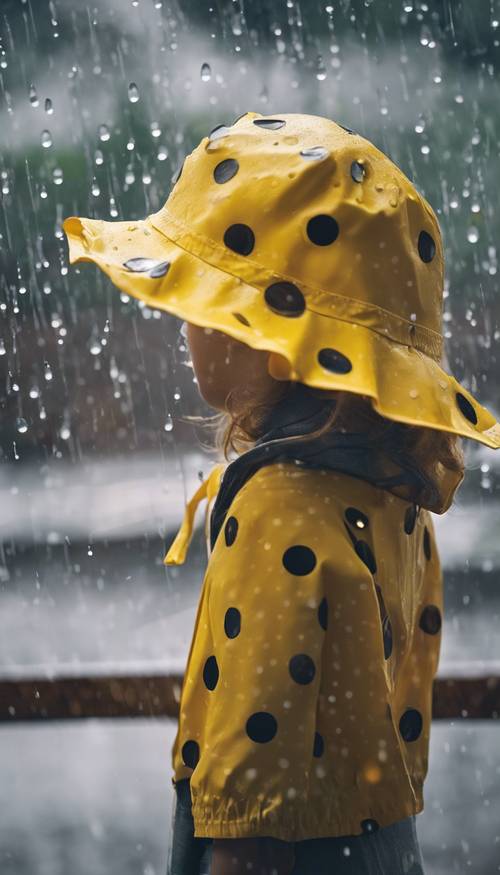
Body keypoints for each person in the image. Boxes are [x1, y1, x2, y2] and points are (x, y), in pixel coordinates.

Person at [63, 112, 500, 875]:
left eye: (202, 300)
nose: (185, 324)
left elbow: (247, 805)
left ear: (273, 340)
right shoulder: (394, 502)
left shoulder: (275, 510)